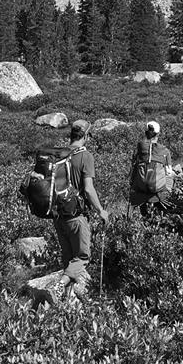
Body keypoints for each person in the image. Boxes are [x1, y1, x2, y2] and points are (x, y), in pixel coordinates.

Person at [53, 119, 109, 298]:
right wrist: (100, 210)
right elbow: (88, 188)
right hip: (76, 216)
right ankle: (60, 286)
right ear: (85, 136)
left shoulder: (59, 154)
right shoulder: (85, 156)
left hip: (58, 215)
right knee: (82, 257)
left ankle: (66, 299)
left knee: (69, 258)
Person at [129, 120, 182, 217]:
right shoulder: (164, 150)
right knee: (171, 178)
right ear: (158, 134)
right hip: (158, 188)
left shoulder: (139, 148)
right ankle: (166, 212)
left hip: (141, 187)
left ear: (146, 132)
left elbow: (133, 168)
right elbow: (169, 173)